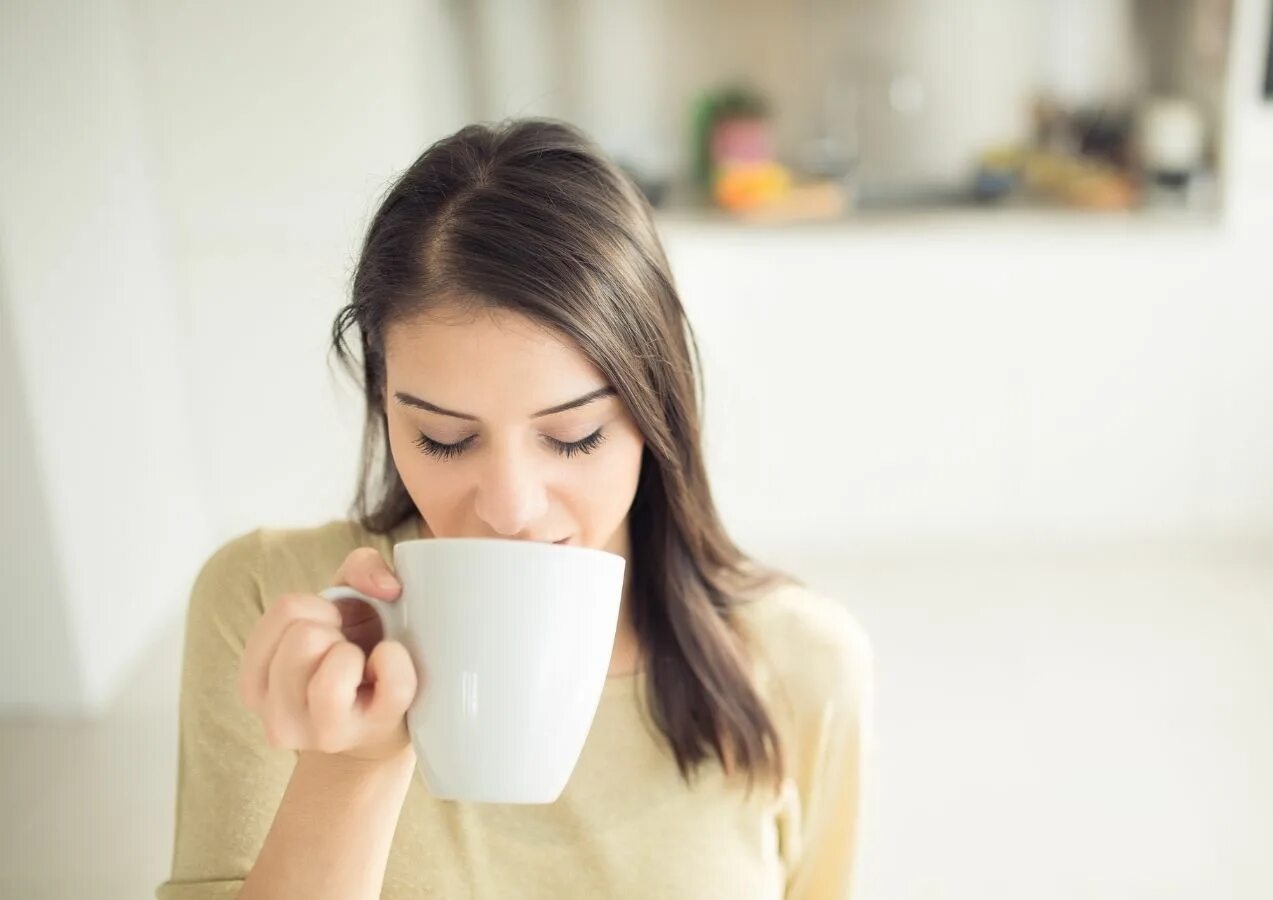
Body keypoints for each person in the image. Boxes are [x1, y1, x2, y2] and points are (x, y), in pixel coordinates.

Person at [156, 118, 873, 900]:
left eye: (572, 437)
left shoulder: (802, 662)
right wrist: (347, 773)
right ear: (384, 407)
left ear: (653, 411)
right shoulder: (272, 603)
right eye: (443, 439)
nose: (510, 509)